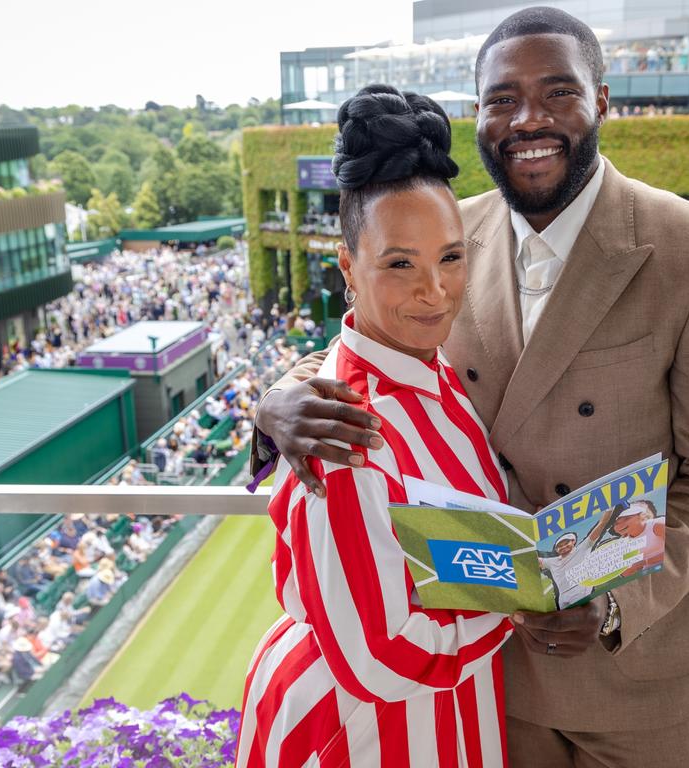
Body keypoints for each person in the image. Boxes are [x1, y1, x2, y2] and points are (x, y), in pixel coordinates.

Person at [252, 8, 689, 766]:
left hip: (634, 675)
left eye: (558, 93)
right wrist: (274, 399)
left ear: (601, 101)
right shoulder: (448, 234)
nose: (530, 119)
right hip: (490, 678)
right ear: (479, 116)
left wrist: (615, 600)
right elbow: (378, 342)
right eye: (503, 100)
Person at [236, 85, 514, 767]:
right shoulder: (347, 427)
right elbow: (383, 658)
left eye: (450, 257)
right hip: (360, 736)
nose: (435, 289)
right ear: (347, 267)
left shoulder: (431, 367)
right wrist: (528, 598)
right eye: (400, 264)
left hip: (443, 722)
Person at [539, 502, 616, 608]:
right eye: (559, 546)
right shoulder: (552, 561)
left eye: (566, 543)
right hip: (562, 597)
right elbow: (536, 560)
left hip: (580, 591)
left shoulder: (583, 547)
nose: (563, 547)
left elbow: (601, 524)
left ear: (573, 541)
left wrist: (610, 506)